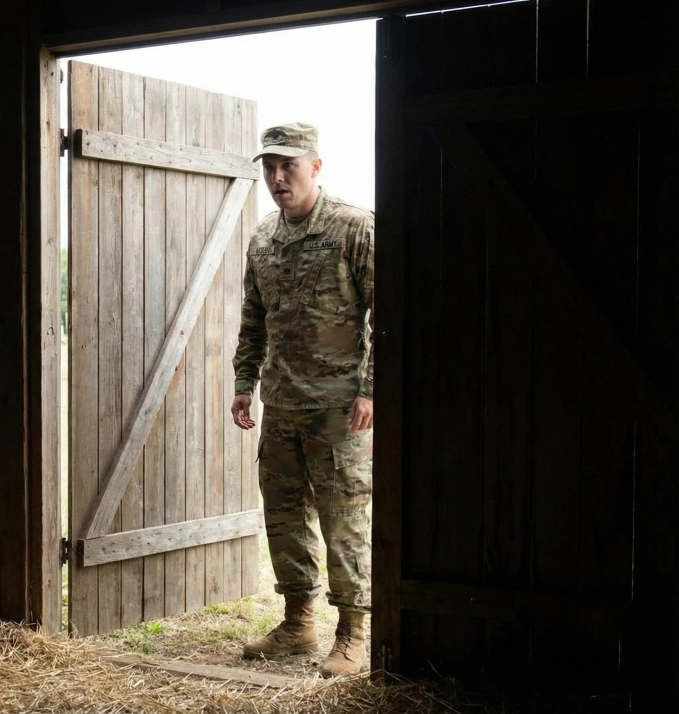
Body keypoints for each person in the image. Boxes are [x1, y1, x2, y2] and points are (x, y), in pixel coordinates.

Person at [230, 123, 374, 678]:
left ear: (316, 166)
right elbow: (252, 318)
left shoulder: (353, 227)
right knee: (285, 516)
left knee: (344, 518)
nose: (276, 176)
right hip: (283, 403)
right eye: (269, 166)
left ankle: (355, 631)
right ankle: (297, 623)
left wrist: (370, 390)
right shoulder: (264, 237)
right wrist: (245, 383)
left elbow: (387, 313)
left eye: (288, 165)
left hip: (341, 409)